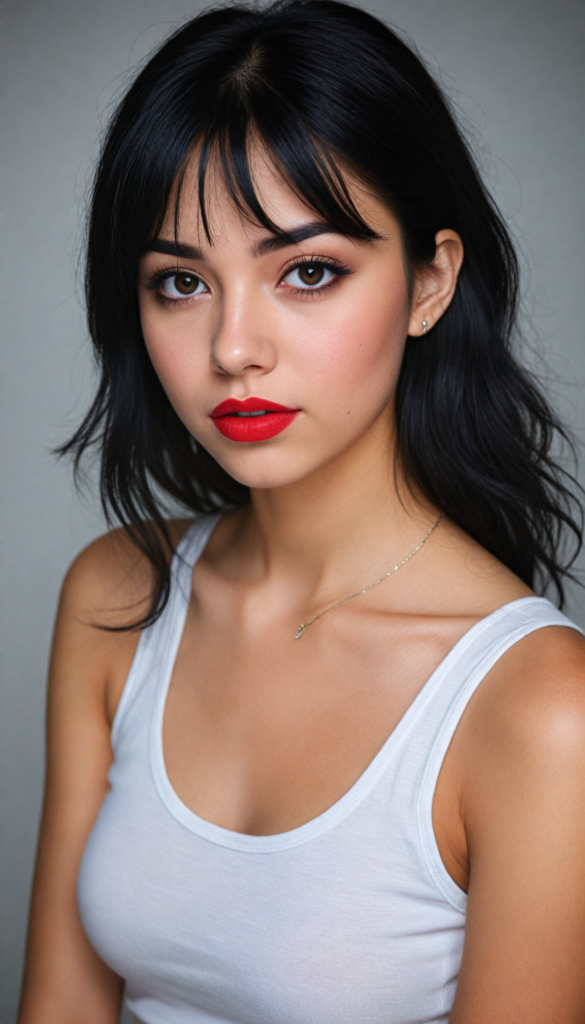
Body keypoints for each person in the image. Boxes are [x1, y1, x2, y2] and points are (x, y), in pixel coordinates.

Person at [17, 1, 585, 1022]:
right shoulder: (115, 595)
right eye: (181, 281)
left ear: (429, 282)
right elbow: (61, 1003)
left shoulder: (542, 711)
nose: (235, 345)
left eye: (307, 271)